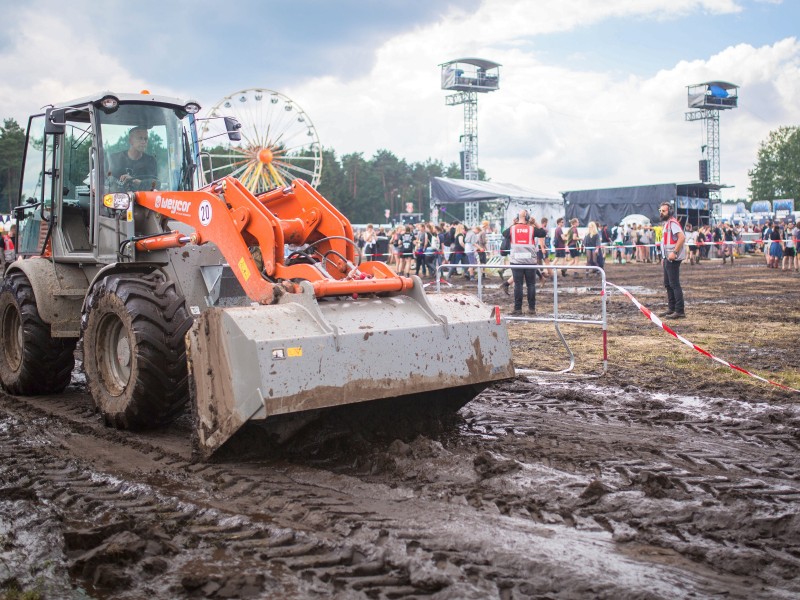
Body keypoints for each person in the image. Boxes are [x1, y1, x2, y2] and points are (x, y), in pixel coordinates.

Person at [659, 202, 686, 319]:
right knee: (668, 284)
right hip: (667, 258)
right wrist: (663, 257)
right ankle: (672, 308)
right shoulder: (667, 224)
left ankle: (679, 310)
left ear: (669, 211)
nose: (661, 213)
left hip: (673, 258)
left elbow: (682, 237)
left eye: (663, 211)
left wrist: (674, 253)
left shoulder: (673, 223)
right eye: (660, 211)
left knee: (674, 284)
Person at [508, 210, 537, 315]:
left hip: (516, 261)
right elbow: (543, 233)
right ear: (528, 217)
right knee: (531, 284)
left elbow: (504, 234)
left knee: (518, 285)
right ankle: (532, 308)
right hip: (530, 261)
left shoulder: (512, 228)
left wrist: (513, 224)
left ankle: (518, 309)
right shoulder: (532, 229)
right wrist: (535, 223)